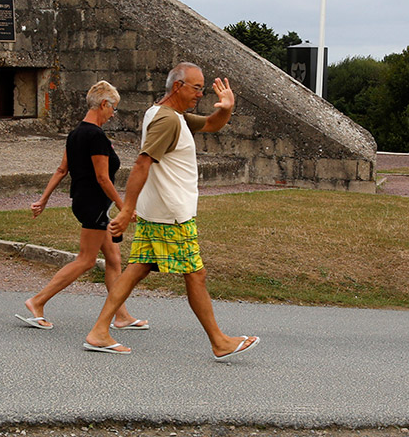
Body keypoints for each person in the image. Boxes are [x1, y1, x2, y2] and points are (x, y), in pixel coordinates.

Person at [82, 62, 259, 359]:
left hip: (160, 212)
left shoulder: (169, 114)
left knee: (136, 270)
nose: (200, 94)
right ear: (177, 86)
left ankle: (99, 331)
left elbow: (213, 124)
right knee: (196, 275)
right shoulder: (168, 121)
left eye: (202, 88)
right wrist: (126, 210)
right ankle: (219, 341)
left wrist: (227, 107)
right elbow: (141, 164)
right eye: (196, 88)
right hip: (172, 216)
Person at [16, 80, 148, 331]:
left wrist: (43, 200)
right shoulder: (96, 135)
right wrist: (124, 207)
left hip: (87, 203)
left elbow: (61, 169)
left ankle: (121, 316)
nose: (113, 114)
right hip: (94, 205)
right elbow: (102, 178)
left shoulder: (76, 133)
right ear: (104, 104)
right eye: (114, 108)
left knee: (113, 258)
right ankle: (37, 301)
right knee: (86, 260)